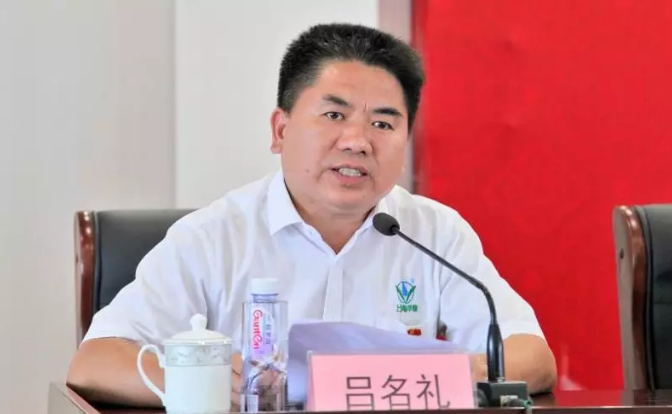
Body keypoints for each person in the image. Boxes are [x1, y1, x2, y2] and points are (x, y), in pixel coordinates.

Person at [67, 23, 557, 407]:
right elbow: (94, 363)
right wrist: (202, 381)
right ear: (280, 131)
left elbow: (532, 356)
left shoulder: (434, 233)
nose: (357, 141)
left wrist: (450, 373)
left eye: (383, 123)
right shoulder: (213, 237)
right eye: (334, 115)